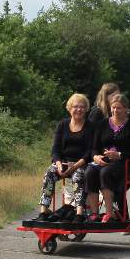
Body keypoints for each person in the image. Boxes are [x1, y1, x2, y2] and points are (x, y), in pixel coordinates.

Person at [83, 92, 130, 223]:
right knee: (90, 172)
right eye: (113, 107)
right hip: (103, 161)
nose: (115, 110)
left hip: (125, 164)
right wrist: (95, 157)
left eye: (119, 108)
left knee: (106, 172)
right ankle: (94, 213)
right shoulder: (102, 124)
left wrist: (120, 155)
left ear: (127, 109)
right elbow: (94, 148)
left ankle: (109, 213)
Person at [33, 93, 92, 221]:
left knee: (78, 176)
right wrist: (59, 165)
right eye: (75, 106)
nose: (79, 109)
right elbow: (55, 149)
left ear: (86, 109)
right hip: (63, 163)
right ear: (70, 108)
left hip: (81, 164)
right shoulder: (62, 125)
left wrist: (75, 166)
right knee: (49, 173)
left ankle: (79, 213)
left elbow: (89, 152)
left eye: (82, 106)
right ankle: (43, 211)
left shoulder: (90, 126)